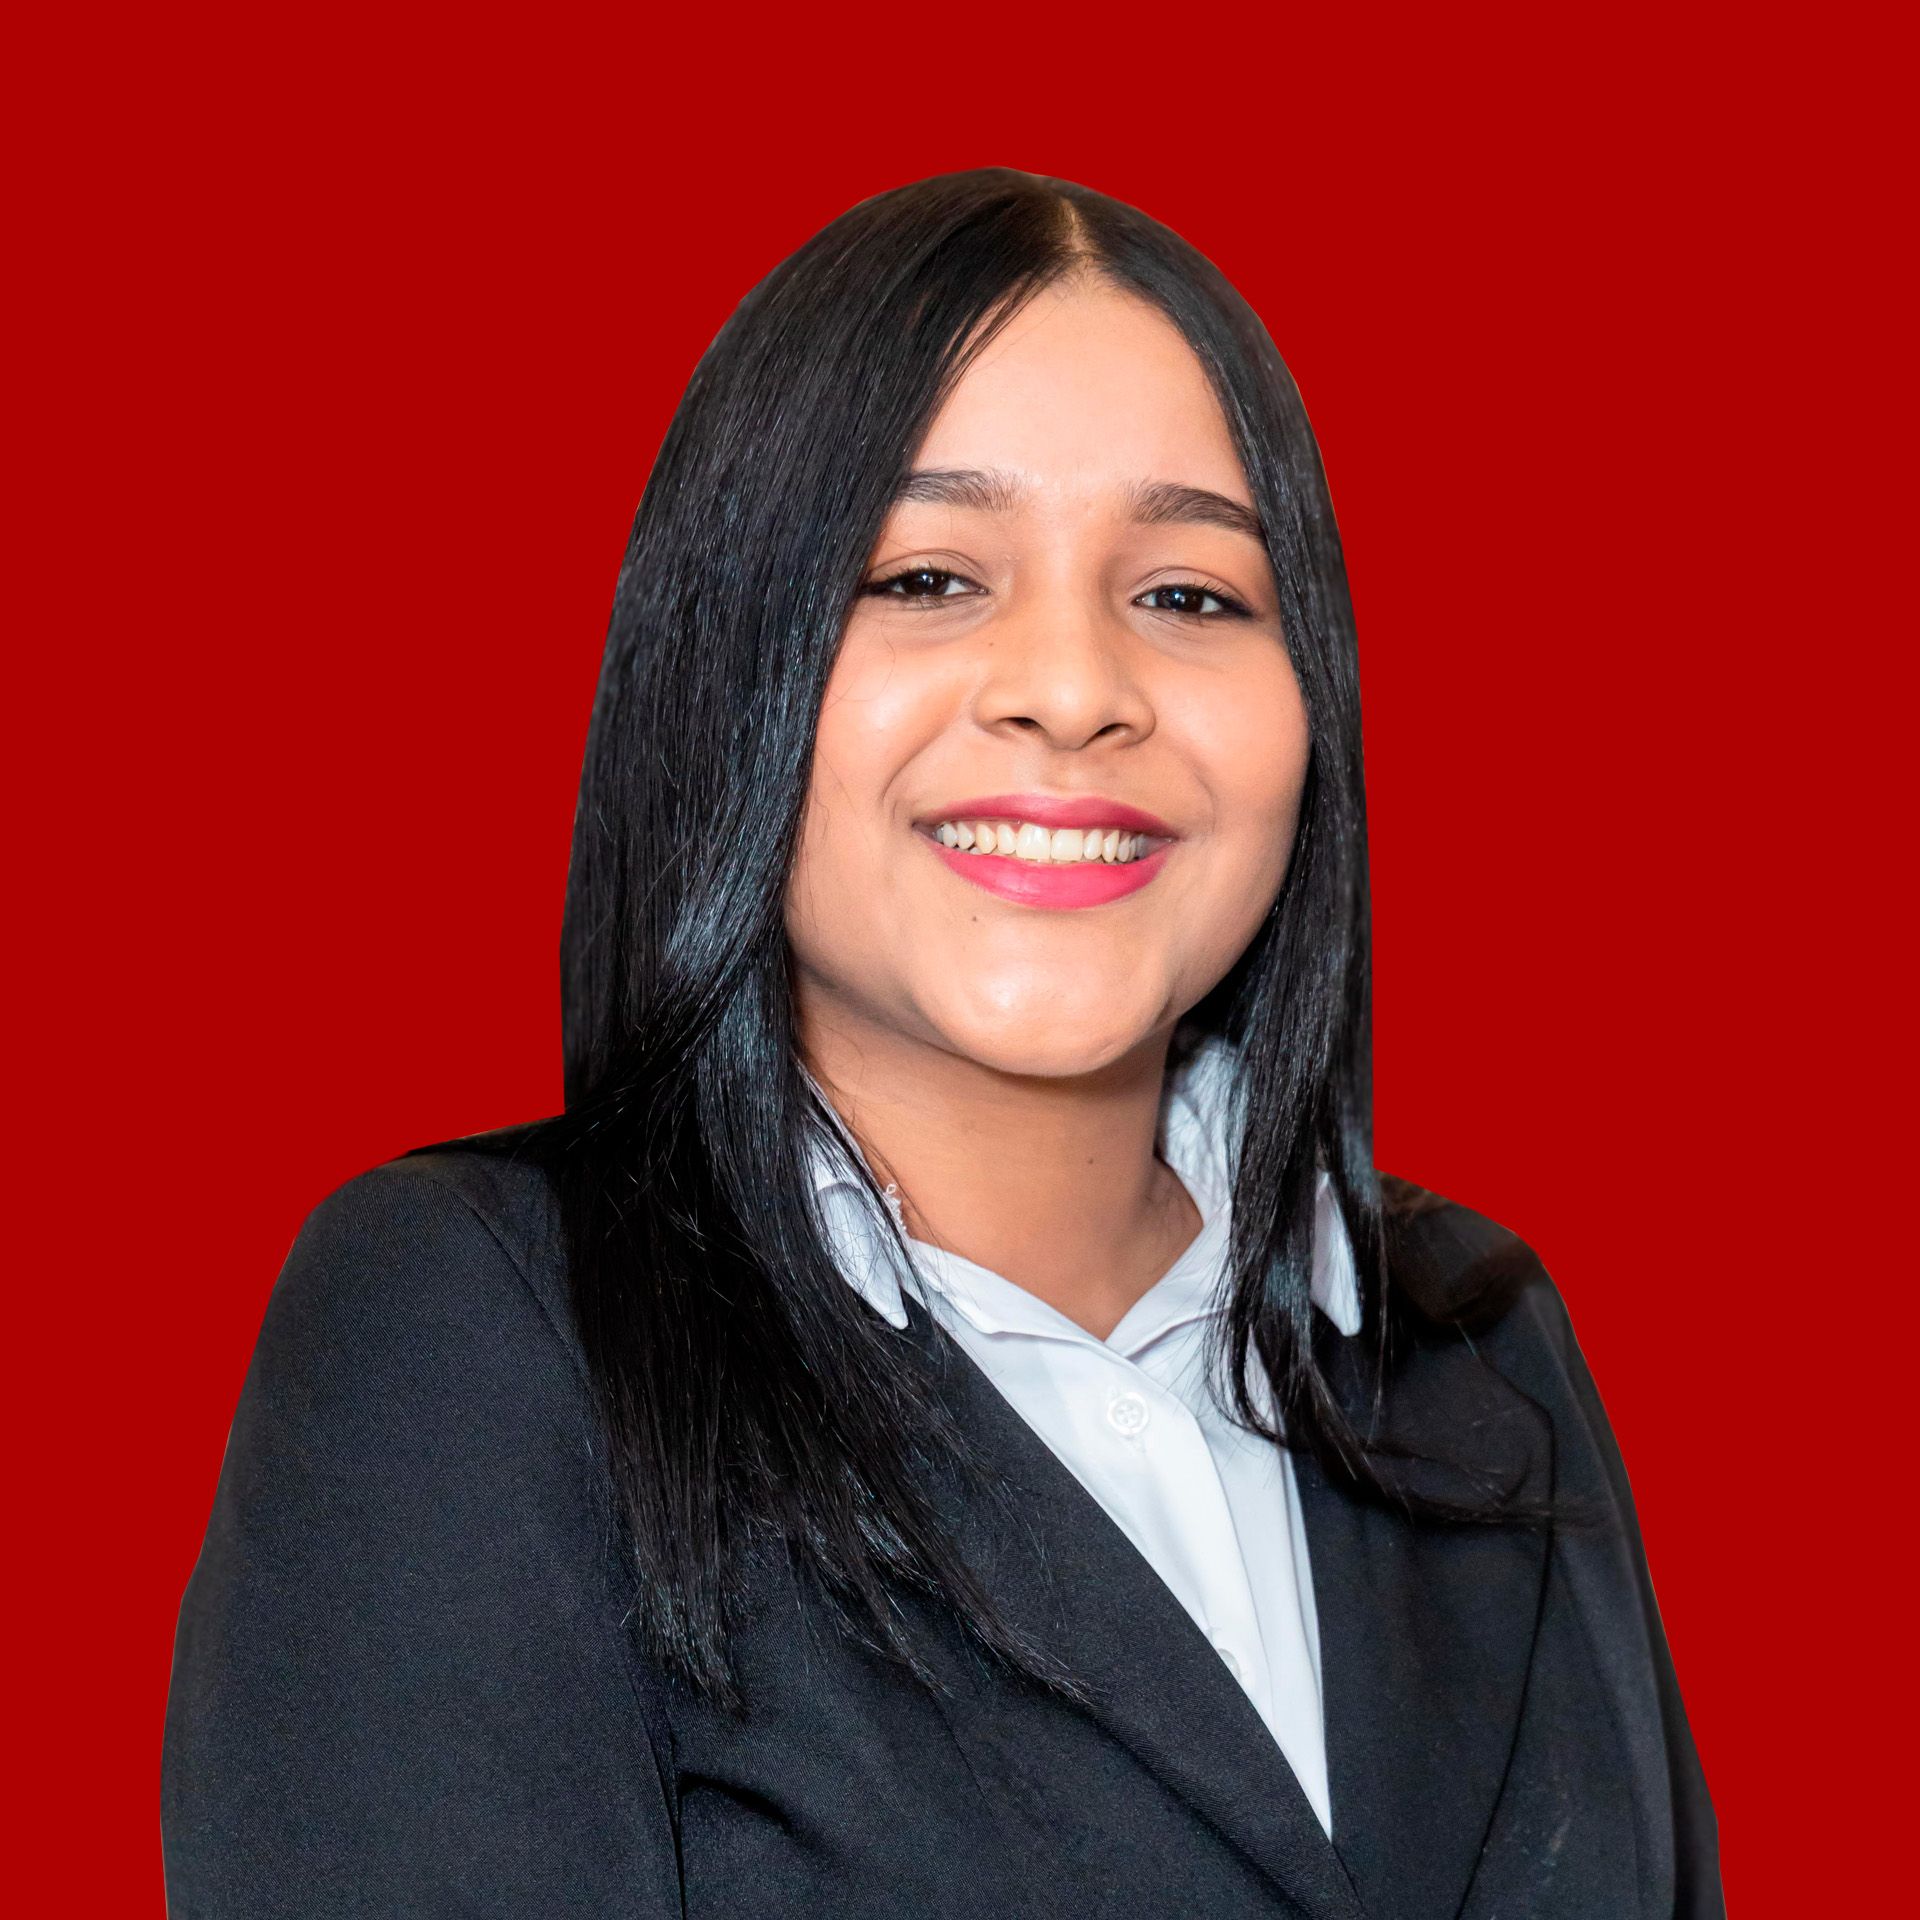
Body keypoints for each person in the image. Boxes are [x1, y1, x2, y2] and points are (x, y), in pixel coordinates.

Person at [161, 167, 1722, 1918]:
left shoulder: (1478, 1341)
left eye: (1191, 595)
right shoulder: (488, 1331)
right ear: (726, 667)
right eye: (926, 575)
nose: (1074, 687)